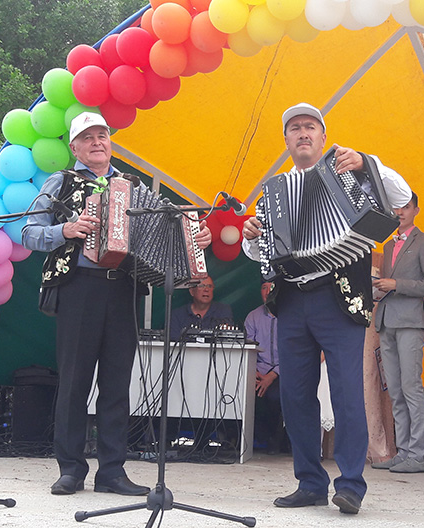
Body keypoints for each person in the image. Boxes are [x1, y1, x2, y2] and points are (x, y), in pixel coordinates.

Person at [22, 111, 211, 496]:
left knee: (117, 384)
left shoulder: (131, 186)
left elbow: (164, 233)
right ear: (74, 147)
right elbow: (28, 232)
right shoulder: (61, 181)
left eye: (102, 135)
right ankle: (70, 469)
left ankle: (111, 471)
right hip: (79, 288)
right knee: (74, 381)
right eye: (87, 137)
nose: (97, 142)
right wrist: (65, 229)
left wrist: (194, 238)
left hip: (123, 289)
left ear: (110, 143)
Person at [241, 102, 411, 515]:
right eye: (295, 128)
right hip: (293, 300)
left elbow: (402, 196)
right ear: (286, 140)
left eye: (310, 127)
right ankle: (310, 482)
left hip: (341, 298)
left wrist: (367, 162)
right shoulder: (274, 191)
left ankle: (350, 484)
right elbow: (262, 254)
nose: (303, 133)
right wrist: (251, 237)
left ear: (323, 136)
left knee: (347, 391)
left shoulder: (350, 170)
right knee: (295, 395)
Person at [370, 193, 424, 474]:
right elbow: (388, 284)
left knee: (411, 387)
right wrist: (378, 286)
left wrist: (396, 283)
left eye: (406, 207)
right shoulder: (388, 245)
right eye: (396, 207)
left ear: (416, 210)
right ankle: (403, 451)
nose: (400, 212)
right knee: (396, 390)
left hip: (410, 321)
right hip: (386, 319)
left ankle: (417, 454)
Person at [244, 280, 286, 454]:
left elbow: (293, 352)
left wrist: (272, 375)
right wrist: (253, 372)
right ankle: (244, 440)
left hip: (283, 371)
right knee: (243, 392)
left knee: (275, 396)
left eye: (272, 288)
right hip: (258, 370)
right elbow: (248, 348)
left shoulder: (290, 315)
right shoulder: (253, 316)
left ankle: (276, 441)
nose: (268, 292)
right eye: (264, 288)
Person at [166, 275, 234, 340]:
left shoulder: (223, 311)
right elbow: (173, 342)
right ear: (192, 291)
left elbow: (227, 339)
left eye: (210, 286)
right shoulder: (177, 315)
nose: (206, 289)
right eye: (201, 286)